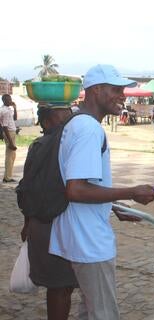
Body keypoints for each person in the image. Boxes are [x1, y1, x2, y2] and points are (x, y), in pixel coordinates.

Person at [48, 64, 154, 320]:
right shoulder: (89, 129)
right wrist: (131, 191)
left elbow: (80, 183)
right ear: (96, 90)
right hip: (89, 239)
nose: (123, 95)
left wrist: (113, 207)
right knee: (102, 314)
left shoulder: (76, 122)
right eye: (116, 89)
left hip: (78, 233)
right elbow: (75, 189)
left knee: (89, 311)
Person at [21, 105, 77, 320]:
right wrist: (28, 222)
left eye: (69, 114)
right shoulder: (43, 146)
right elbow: (27, 188)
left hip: (54, 222)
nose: (68, 119)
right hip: (50, 223)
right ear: (46, 122)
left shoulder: (65, 143)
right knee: (60, 287)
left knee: (64, 286)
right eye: (61, 116)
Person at [0, 94, 17, 183]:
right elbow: (5, 127)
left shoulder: (8, 109)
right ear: (4, 101)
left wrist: (15, 108)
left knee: (12, 156)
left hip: (11, 132)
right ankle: (7, 178)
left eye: (10, 99)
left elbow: (15, 118)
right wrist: (10, 142)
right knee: (10, 156)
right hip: (9, 133)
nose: (10, 101)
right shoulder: (5, 111)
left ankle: (7, 176)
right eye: (8, 99)